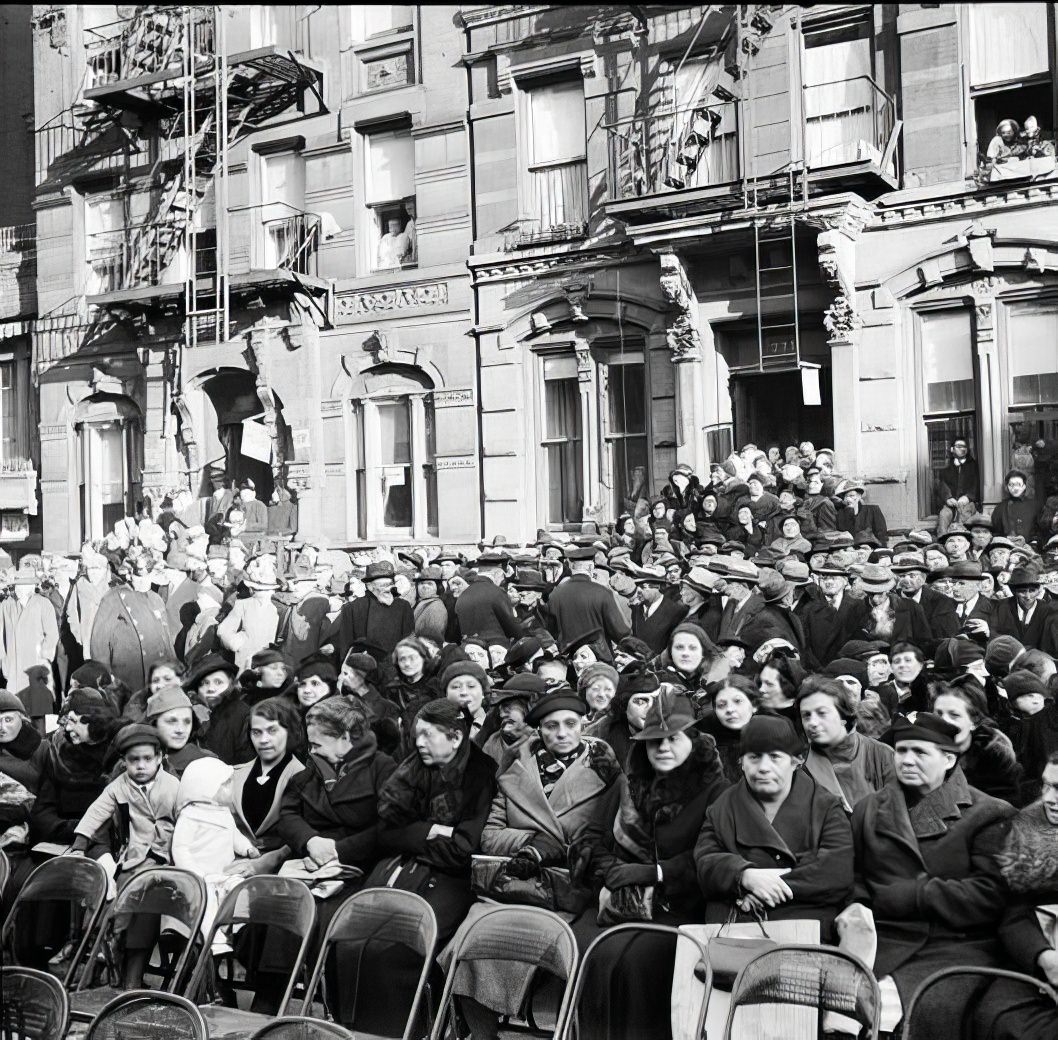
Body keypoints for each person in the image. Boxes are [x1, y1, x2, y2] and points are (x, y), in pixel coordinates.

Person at [840, 713, 1016, 1034]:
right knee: (835, 1007)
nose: (907, 760)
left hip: (955, 948)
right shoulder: (869, 808)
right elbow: (853, 877)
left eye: (920, 752)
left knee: (911, 1008)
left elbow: (991, 896)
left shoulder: (989, 813)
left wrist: (915, 894)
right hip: (881, 939)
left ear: (949, 759)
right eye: (901, 750)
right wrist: (863, 907)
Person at [466, 690, 622, 1040]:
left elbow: (605, 840)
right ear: (539, 730)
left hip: (568, 887)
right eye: (552, 726)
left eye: (571, 724)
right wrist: (535, 844)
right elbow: (490, 837)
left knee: (562, 946)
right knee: (469, 941)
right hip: (511, 884)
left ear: (583, 725)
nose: (562, 733)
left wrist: (552, 850)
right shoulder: (515, 771)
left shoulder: (605, 773)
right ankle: (483, 1035)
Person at [694, 713, 854, 935]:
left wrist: (764, 887)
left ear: (795, 761)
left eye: (775, 757)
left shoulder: (825, 807)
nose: (763, 767)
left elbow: (836, 871)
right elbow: (705, 861)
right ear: (741, 762)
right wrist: (744, 876)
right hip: (736, 930)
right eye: (754, 757)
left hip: (803, 926)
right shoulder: (722, 807)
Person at [375, 699, 498, 942]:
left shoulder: (480, 775)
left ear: (455, 738)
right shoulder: (412, 768)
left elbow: (462, 849)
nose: (419, 743)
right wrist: (430, 830)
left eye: (428, 735)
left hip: (452, 881)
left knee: (405, 941)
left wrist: (408, 836)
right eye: (417, 735)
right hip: (402, 868)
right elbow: (383, 833)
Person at [68, 724, 180, 985]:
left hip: (166, 855)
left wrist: (157, 856)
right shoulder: (120, 785)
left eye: (147, 759)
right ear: (124, 761)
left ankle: (129, 967)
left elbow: (172, 823)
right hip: (132, 854)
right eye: (133, 760)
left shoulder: (171, 786)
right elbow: (97, 812)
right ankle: (98, 950)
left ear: (159, 757)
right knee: (105, 890)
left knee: (139, 893)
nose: (141, 766)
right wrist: (79, 843)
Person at [992, 753, 1058, 1040]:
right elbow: (1010, 910)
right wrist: (1043, 957)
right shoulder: (1025, 827)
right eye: (1046, 785)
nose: (1049, 798)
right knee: (999, 1018)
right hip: (1038, 958)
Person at [171, 757, 259, 941]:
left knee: (240, 890)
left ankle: (236, 930)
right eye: (225, 785)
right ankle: (214, 936)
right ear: (205, 788)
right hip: (201, 876)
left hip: (223, 872)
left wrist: (248, 849)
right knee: (207, 901)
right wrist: (193, 872)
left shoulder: (223, 813)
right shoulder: (190, 815)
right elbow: (180, 848)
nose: (230, 790)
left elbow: (234, 836)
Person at [228, 697, 307, 870]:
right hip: (234, 862)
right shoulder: (235, 773)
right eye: (256, 732)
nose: (263, 740)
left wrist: (272, 860)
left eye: (272, 731)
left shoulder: (303, 775)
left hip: (280, 867)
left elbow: (305, 833)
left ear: (289, 731)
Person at [797, 676, 895, 812]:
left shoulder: (882, 755)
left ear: (843, 715)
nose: (812, 723)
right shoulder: (799, 764)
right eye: (806, 715)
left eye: (822, 713)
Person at [90, 549, 175, 691]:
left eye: (148, 575)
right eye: (138, 574)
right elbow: (99, 645)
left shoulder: (156, 599)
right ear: (129, 573)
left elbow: (166, 642)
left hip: (157, 680)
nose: (143, 580)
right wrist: (105, 680)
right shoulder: (113, 598)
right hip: (127, 680)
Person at [931, 678, 1023, 803]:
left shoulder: (994, 758)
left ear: (974, 722)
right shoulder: (920, 750)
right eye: (938, 714)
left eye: (954, 715)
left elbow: (1003, 809)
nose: (944, 722)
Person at [324, 560, 413, 664]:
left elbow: (408, 639)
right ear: (370, 587)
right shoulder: (352, 608)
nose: (388, 588)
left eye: (390, 584)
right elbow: (345, 641)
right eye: (383, 585)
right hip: (362, 668)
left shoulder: (403, 606)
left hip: (394, 667)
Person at [544, 547, 630, 653]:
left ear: (571, 567)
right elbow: (620, 632)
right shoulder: (603, 592)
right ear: (590, 567)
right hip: (599, 658)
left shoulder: (555, 594)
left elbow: (551, 631)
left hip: (569, 658)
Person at [0, 689, 47, 857]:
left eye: (8, 720)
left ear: (22, 719)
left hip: (36, 828)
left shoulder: (43, 749)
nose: (2, 728)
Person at [184, 653, 252, 765]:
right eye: (205, 683)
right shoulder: (193, 713)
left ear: (230, 683)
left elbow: (246, 765)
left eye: (218, 682)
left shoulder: (244, 716)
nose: (211, 689)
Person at [586, 667, 660, 770]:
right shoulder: (605, 731)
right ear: (624, 706)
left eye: (656, 701)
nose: (651, 709)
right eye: (641, 701)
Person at [146, 684, 217, 778]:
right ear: (154, 724)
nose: (180, 730)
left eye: (187, 721)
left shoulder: (206, 762)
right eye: (171, 721)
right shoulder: (138, 761)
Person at [700, 676, 759, 783]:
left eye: (737, 701)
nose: (730, 709)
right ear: (715, 710)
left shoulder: (776, 735)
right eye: (721, 705)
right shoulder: (702, 744)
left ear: (754, 705)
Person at [453, 556, 522, 644]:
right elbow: (512, 629)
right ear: (497, 573)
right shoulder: (497, 593)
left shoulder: (463, 594)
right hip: (494, 648)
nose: (502, 580)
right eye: (502, 576)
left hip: (469, 648)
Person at [631, 572, 687, 653]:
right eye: (637, 587)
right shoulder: (636, 609)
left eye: (643, 587)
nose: (638, 591)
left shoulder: (676, 611)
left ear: (657, 587)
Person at [935, 438, 980, 534]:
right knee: (944, 515)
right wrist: (948, 497)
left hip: (968, 503)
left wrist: (968, 497)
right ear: (952, 449)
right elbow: (942, 483)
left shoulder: (973, 465)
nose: (962, 449)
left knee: (964, 516)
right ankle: (942, 541)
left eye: (964, 447)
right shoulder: (947, 466)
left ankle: (961, 540)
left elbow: (976, 484)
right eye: (959, 446)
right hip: (952, 503)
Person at [991, 469, 1039, 544]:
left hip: (1030, 548)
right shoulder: (1000, 508)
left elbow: (1038, 531)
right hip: (1006, 548)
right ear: (1007, 487)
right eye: (1012, 485)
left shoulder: (1034, 506)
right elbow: (996, 532)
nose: (1015, 488)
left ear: (1024, 486)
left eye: (1018, 484)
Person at [836, 480, 888, 545]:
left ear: (859, 496)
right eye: (845, 497)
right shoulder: (840, 515)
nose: (848, 499)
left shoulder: (873, 510)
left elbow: (882, 537)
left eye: (852, 495)